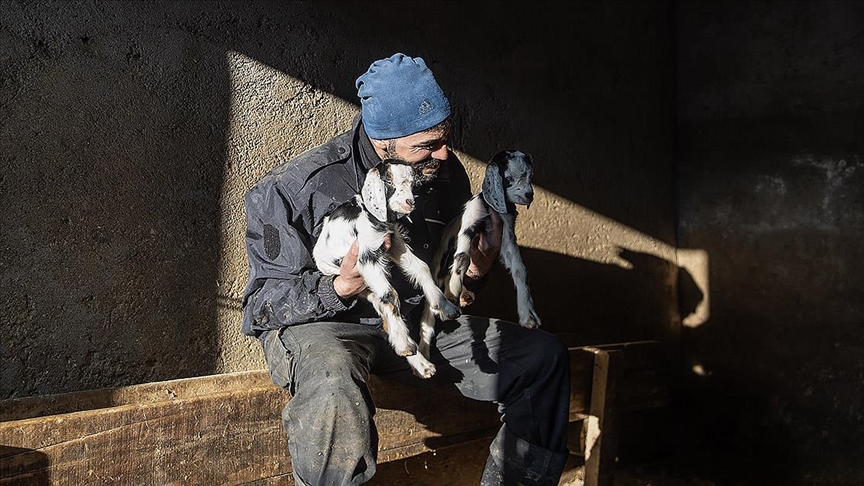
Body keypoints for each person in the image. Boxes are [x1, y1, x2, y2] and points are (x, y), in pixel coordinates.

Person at [241, 53, 571, 486]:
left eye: (445, 137)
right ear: (383, 144)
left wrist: (476, 270)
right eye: (426, 146)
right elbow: (260, 308)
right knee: (331, 379)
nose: (445, 153)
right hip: (331, 327)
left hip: (416, 325)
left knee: (542, 359)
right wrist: (339, 287)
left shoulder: (445, 175)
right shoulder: (294, 187)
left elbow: (447, 293)